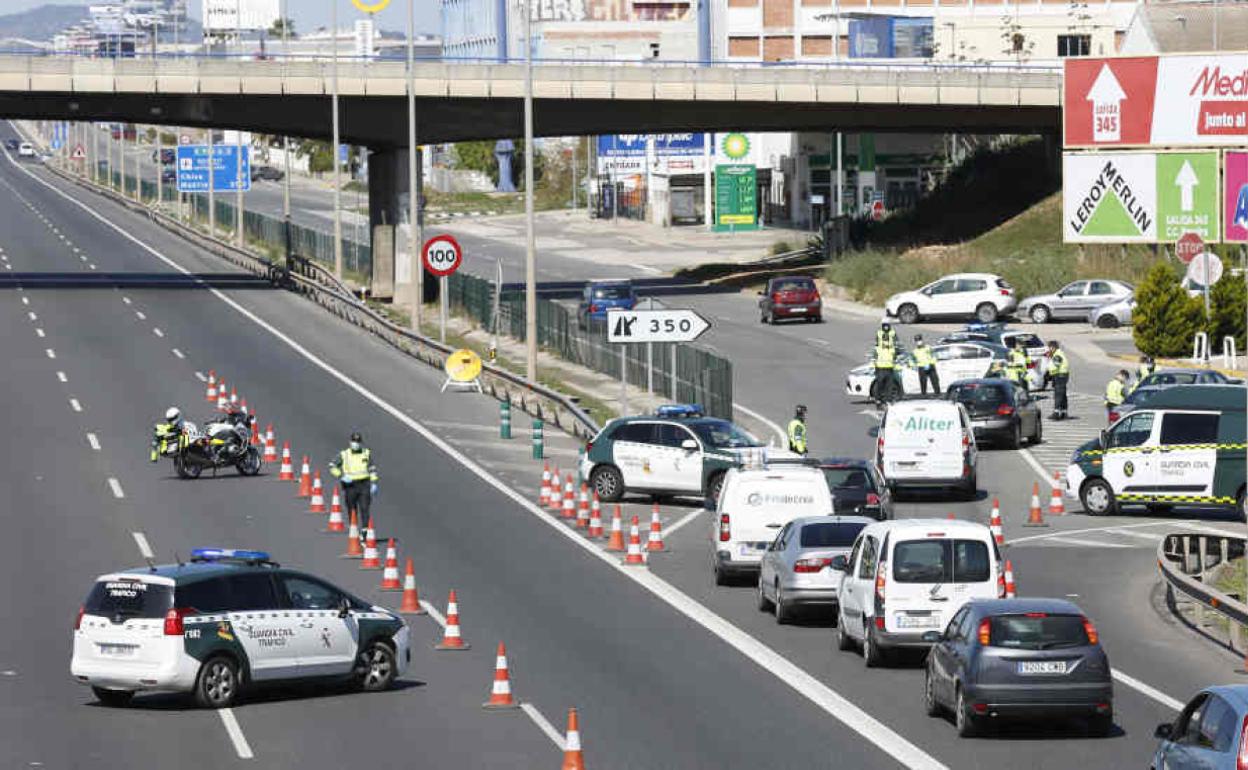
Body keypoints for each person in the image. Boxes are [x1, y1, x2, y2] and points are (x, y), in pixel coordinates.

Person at [330, 431, 378, 526]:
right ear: (350, 442)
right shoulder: (344, 454)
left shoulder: (366, 453)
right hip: (350, 485)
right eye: (354, 441)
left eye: (358, 442)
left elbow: (372, 468)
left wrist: (374, 483)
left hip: (364, 484)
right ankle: (354, 529)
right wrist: (341, 476)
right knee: (352, 509)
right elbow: (332, 466)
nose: (355, 444)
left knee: (365, 508)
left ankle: (365, 532)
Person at [1047, 340, 1070, 420]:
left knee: (1058, 394)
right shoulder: (1058, 354)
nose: (1049, 349)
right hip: (1062, 375)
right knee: (1062, 394)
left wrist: (1049, 372)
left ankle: (1056, 413)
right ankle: (1064, 412)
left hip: (1059, 376)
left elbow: (1055, 366)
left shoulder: (1057, 355)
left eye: (1049, 347)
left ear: (1053, 347)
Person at [872, 337, 898, 405]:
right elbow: (874, 358)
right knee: (880, 385)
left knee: (889, 386)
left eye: (887, 340)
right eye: (884, 340)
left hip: (889, 369)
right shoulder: (878, 349)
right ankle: (878, 399)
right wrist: (876, 368)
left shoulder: (892, 349)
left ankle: (888, 400)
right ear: (882, 341)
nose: (886, 342)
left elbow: (894, 358)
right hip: (881, 369)